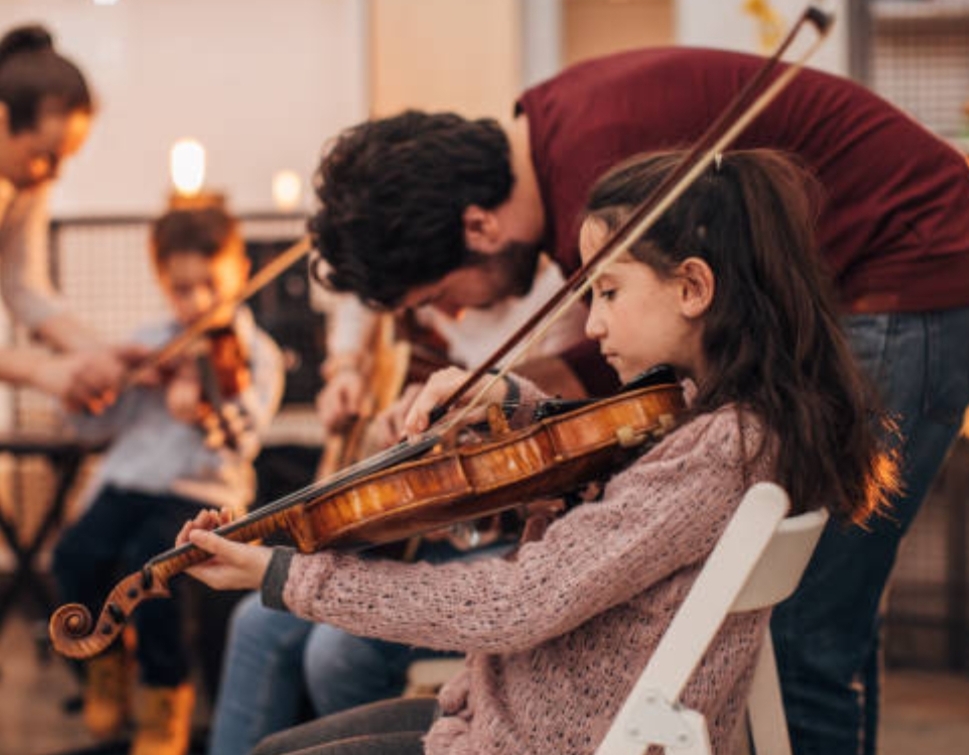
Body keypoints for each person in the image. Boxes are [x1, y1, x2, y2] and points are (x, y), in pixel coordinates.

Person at [307, 47, 969, 755]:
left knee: (810, 629)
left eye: (439, 298)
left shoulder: (600, 163)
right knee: (819, 621)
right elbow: (622, 370)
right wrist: (513, 401)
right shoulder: (555, 137)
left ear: (478, 228)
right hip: (877, 279)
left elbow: (639, 360)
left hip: (910, 267)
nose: (459, 320)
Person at [176, 148, 896, 755]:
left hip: (543, 738)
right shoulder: (713, 418)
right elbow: (605, 460)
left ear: (693, 287)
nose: (591, 321)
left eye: (607, 291)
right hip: (522, 720)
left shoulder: (721, 446)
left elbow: (516, 602)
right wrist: (513, 402)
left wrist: (289, 576)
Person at [206, 252, 589, 755]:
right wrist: (349, 373)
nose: (441, 314)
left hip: (501, 545)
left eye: (434, 297)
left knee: (336, 652)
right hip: (433, 541)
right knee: (254, 624)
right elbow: (361, 308)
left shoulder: (566, 310)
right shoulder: (419, 301)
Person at [52, 205, 285, 755]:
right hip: (128, 479)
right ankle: (106, 659)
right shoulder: (150, 339)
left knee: (152, 570)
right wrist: (113, 377)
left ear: (241, 269)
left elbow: (244, 438)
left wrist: (203, 407)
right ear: (160, 281)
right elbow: (94, 426)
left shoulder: (255, 353)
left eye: (211, 284)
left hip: (200, 492)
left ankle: (165, 693)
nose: (198, 302)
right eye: (181, 289)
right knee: (73, 556)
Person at [0, 23, 134, 409]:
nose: (55, 174)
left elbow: (26, 289)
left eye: (66, 159)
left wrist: (104, 356)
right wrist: (40, 370)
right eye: (45, 155)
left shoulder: (25, 184)